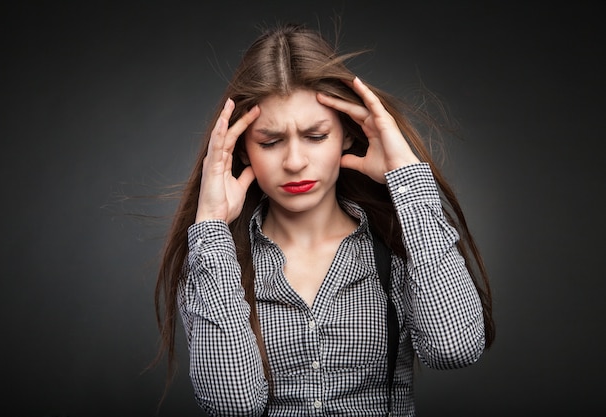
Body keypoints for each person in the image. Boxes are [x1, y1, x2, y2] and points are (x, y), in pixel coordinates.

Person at [153, 22, 495, 416]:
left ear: (347, 135)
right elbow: (233, 405)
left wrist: (409, 179)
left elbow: (455, 348)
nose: (295, 162)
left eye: (316, 136)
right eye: (270, 141)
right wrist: (210, 226)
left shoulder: (398, 248)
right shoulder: (214, 262)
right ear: (242, 150)